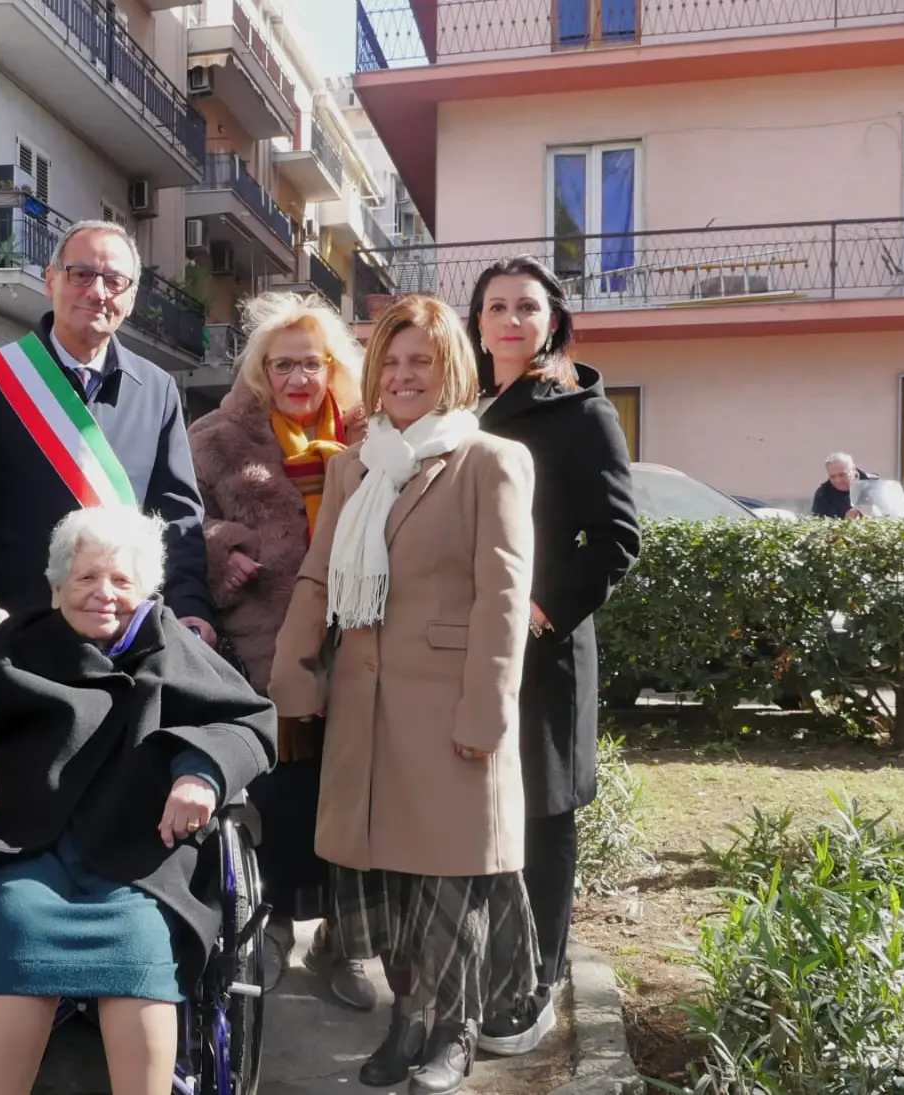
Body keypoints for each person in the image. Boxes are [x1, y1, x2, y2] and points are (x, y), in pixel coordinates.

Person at [0, 505, 276, 1095]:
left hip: (140, 855)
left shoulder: (172, 647)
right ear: (56, 588)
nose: (104, 594)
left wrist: (201, 774)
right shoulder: (19, 645)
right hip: (30, 847)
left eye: (123, 581)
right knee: (22, 938)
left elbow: (248, 722)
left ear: (148, 590)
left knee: (141, 946)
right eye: (86, 578)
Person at [269, 294, 540, 1095]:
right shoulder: (356, 463)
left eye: (420, 359)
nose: (403, 374)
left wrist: (489, 709)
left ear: (449, 365)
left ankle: (450, 1032)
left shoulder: (490, 459)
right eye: (389, 360)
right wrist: (291, 668)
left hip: (452, 708)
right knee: (382, 882)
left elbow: (503, 592)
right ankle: (406, 1017)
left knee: (450, 883)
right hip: (364, 708)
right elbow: (320, 573)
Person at [467, 257, 640, 1056]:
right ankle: (475, 963)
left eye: (525, 307)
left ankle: (538, 973)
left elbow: (616, 538)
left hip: (543, 646)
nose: (509, 320)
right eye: (495, 306)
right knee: (475, 802)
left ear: (552, 320)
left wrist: (536, 614)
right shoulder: (462, 403)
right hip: (460, 638)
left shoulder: (579, 410)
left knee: (543, 809)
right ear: (476, 320)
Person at [187, 291, 378, 1007]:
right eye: (283, 364)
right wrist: (220, 552)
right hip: (261, 655)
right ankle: (266, 930)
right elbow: (179, 523)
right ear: (261, 370)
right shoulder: (216, 438)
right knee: (276, 797)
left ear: (335, 369)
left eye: (313, 363)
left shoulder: (375, 438)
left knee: (353, 796)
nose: (299, 377)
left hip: (359, 645)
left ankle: (346, 942)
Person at [0, 220, 216, 645]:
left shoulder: (157, 389)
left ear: (132, 296)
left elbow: (177, 516)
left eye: (114, 280)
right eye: (81, 274)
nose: (97, 292)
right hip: (18, 635)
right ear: (51, 278)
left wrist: (191, 607)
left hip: (127, 638)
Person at [812, 452, 871, 518]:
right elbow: (819, 523)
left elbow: (882, 512)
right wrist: (846, 522)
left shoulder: (872, 484)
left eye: (842, 475)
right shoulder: (823, 493)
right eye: (833, 476)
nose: (838, 480)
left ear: (853, 470)